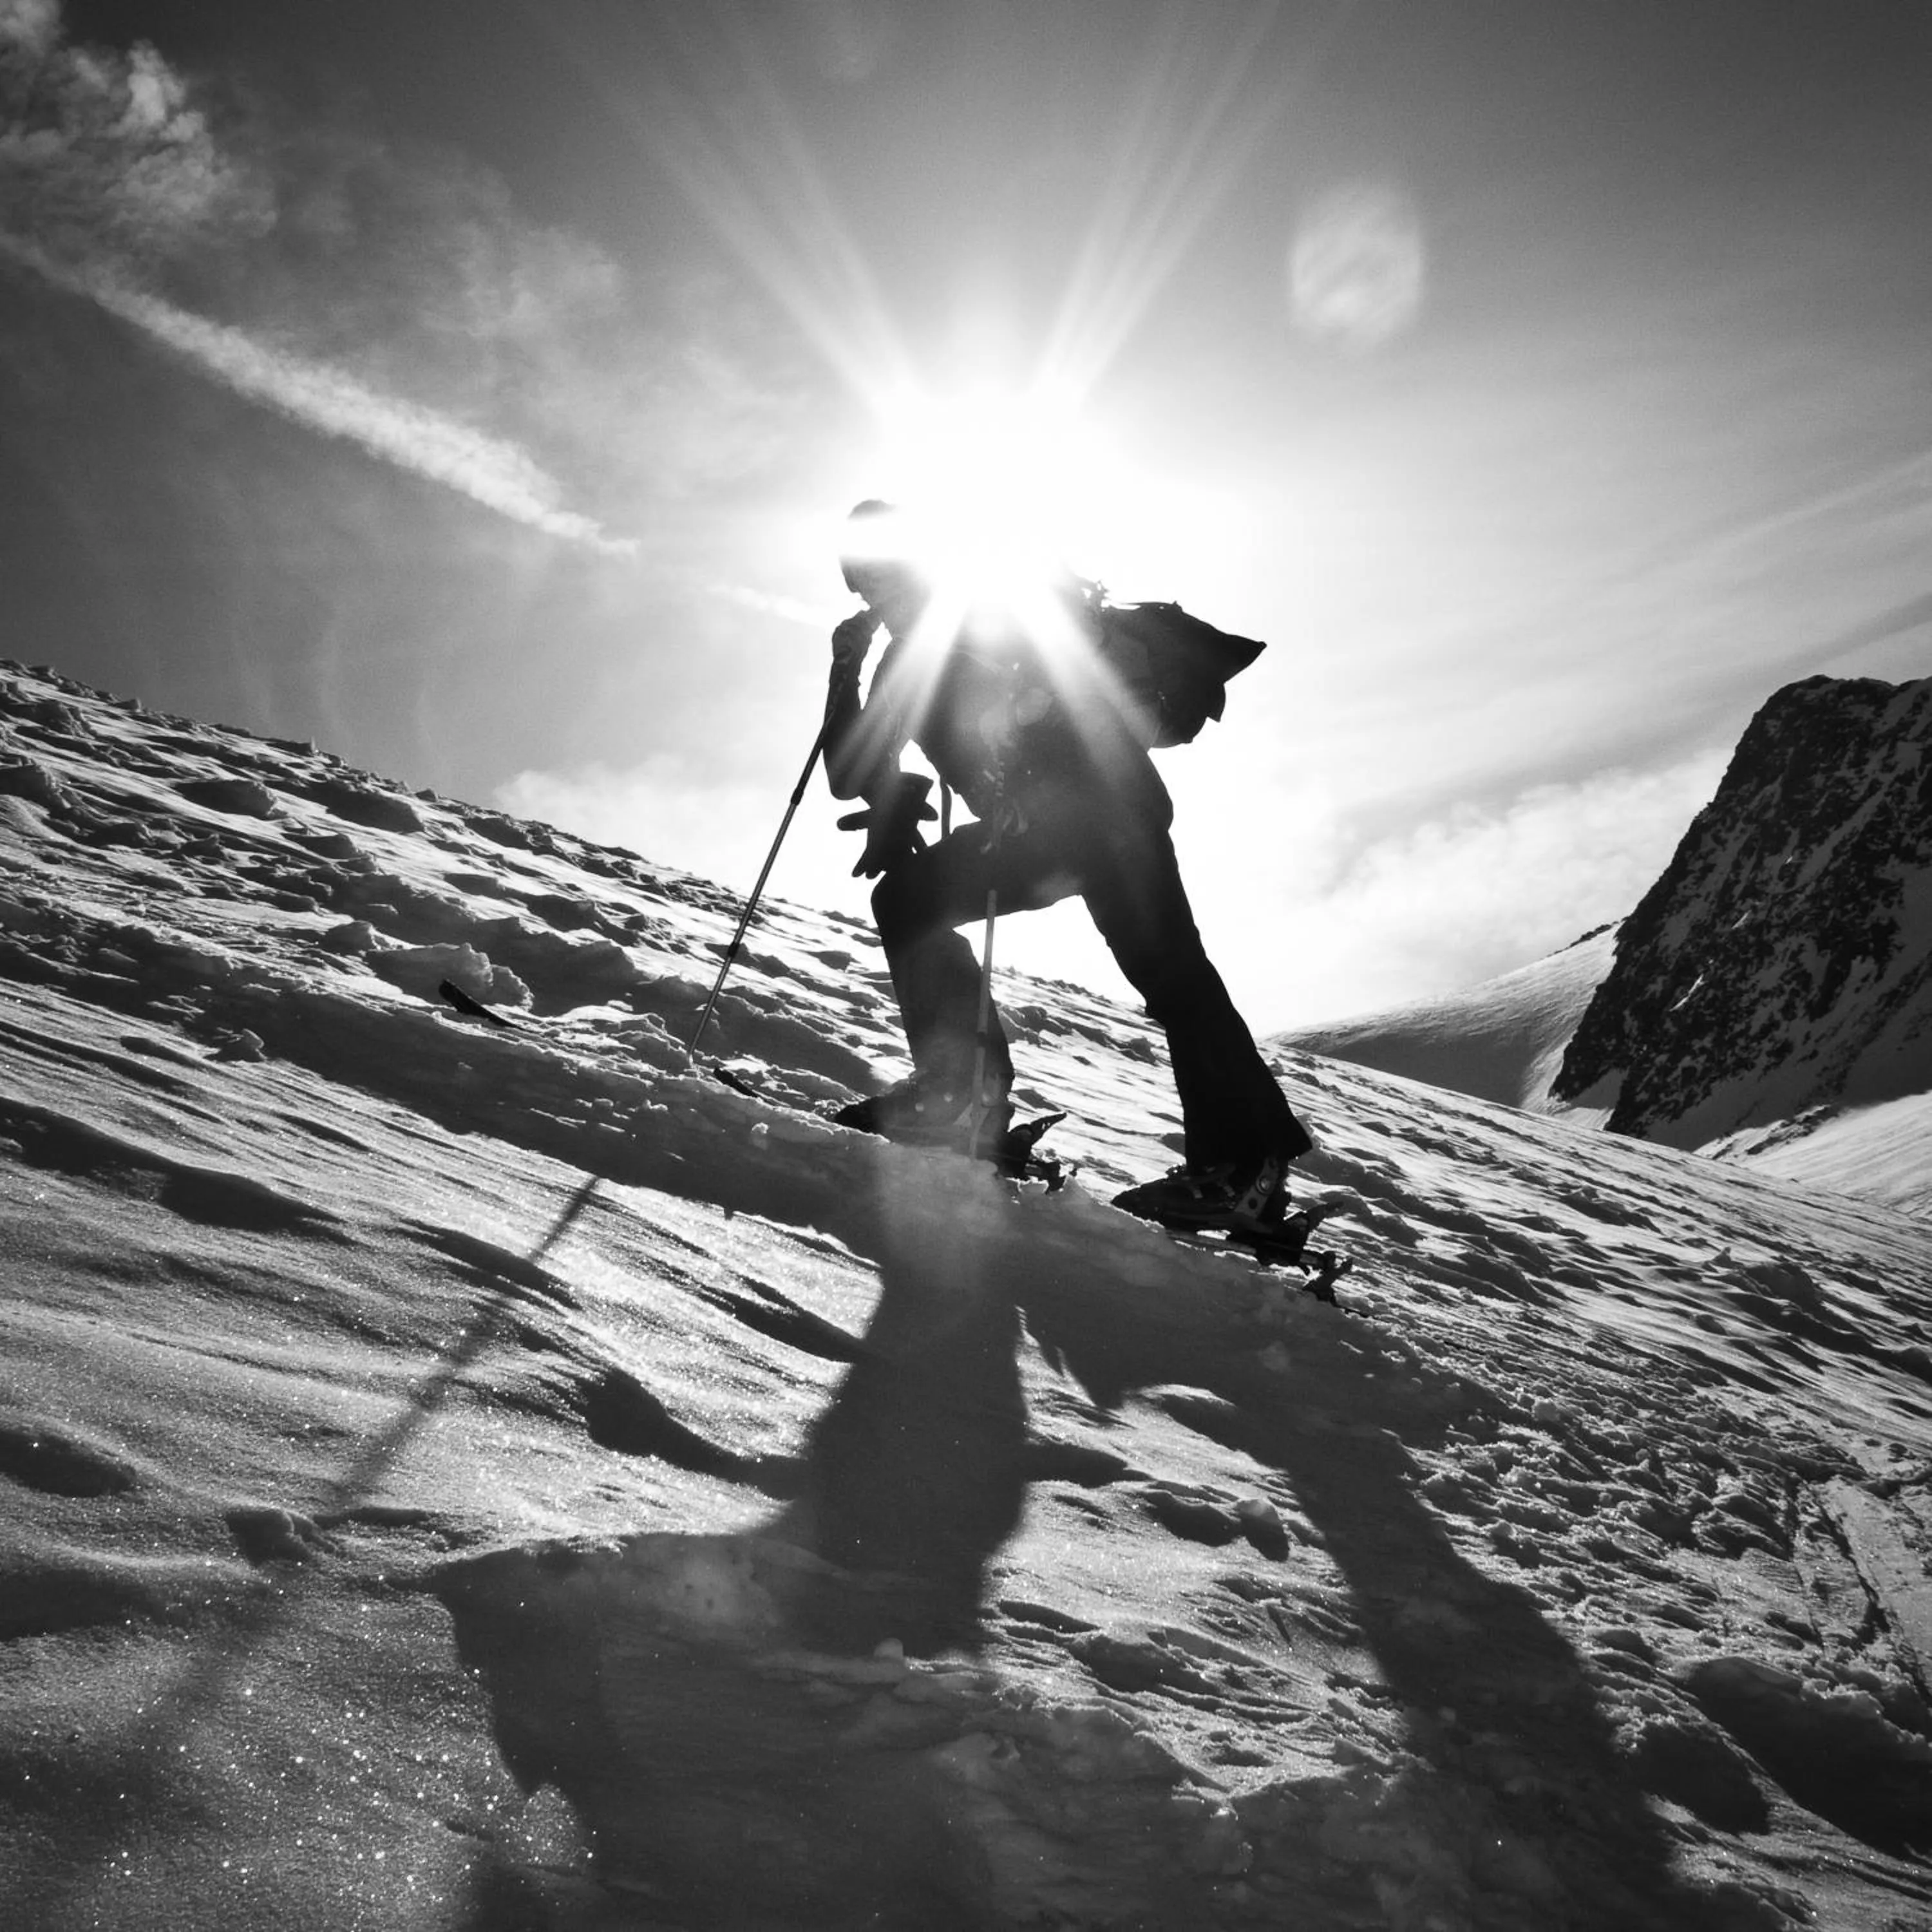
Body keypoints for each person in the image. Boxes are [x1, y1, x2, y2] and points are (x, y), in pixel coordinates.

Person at [822, 499, 1312, 1232]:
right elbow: (850, 771)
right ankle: (1241, 1167)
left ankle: (970, 1096)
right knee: (917, 903)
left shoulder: (978, 618)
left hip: (1091, 813)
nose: (875, 599)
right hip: (1080, 822)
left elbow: (1064, 685)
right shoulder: (912, 655)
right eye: (863, 588)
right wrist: (847, 668)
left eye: (881, 580)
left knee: (1168, 972)